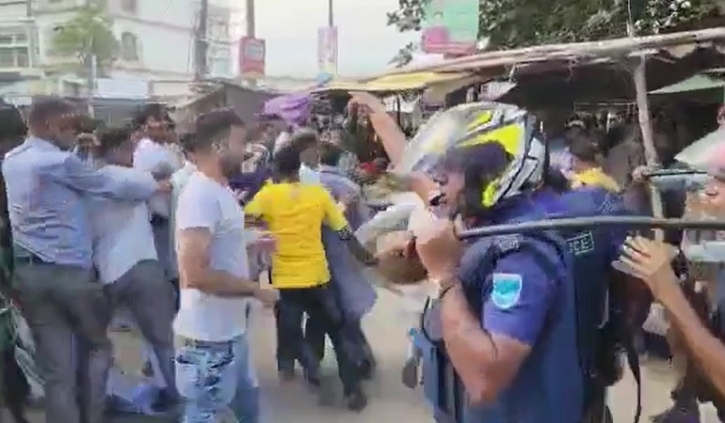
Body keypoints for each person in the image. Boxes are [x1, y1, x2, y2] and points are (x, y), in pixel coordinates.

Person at [398, 102, 584, 423]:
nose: (437, 176)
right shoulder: (481, 225)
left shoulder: (522, 256)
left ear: (488, 175)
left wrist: (444, 276)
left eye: (452, 167)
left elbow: (485, 381)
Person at [2, 97, 168, 423]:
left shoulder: (12, 161)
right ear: (49, 126)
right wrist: (154, 183)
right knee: (97, 348)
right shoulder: (58, 163)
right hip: (70, 276)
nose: (75, 134)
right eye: (70, 127)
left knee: (57, 368)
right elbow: (106, 184)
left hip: (30, 275)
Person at [245, 141, 376, 411]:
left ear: (275, 169)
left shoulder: (268, 195)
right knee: (338, 332)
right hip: (318, 275)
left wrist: (265, 227)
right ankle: (352, 391)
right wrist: (365, 257)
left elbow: (245, 218)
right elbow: (343, 232)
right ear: (298, 170)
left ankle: (311, 364)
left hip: (286, 280)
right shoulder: (317, 194)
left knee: (292, 329)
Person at [174, 109, 278, 423]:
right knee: (205, 413)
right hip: (208, 338)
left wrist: (250, 240)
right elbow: (196, 274)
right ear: (220, 146)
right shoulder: (200, 195)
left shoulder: (219, 191)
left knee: (247, 405)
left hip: (229, 330)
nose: (245, 150)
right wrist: (255, 290)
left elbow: (218, 240)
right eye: (240, 142)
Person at [87, 126, 179, 408]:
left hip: (104, 271)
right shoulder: (137, 178)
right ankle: (177, 396)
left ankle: (98, 401)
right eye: (129, 149)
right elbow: (163, 209)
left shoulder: (86, 180)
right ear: (119, 150)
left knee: (97, 344)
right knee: (162, 340)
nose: (132, 154)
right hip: (142, 267)